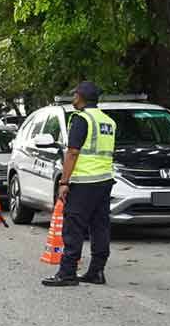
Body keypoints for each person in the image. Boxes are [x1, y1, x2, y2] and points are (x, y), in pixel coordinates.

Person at [42, 81, 116, 287]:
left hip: (84, 182)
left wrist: (64, 181)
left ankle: (67, 273)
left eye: (75, 95)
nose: (73, 98)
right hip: (104, 180)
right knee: (100, 226)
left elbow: (73, 152)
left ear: (81, 97)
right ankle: (97, 271)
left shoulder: (82, 119)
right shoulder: (108, 121)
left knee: (73, 227)